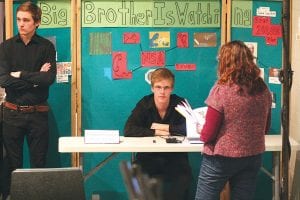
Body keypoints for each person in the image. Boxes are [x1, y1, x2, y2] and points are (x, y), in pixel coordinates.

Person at [194, 40, 272, 200]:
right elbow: (265, 128)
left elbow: (208, 134)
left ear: (225, 62)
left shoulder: (221, 89)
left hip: (221, 159)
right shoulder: (263, 89)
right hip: (252, 156)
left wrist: (201, 132)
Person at [0, 1, 56, 198]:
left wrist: (20, 74)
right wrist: (34, 80)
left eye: (26, 20)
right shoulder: (6, 47)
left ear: (37, 22)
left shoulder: (47, 47)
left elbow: (48, 79)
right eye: (18, 20)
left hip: (38, 113)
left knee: (38, 163)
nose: (21, 24)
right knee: (11, 164)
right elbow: (3, 79)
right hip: (11, 113)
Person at [124, 68, 192, 200]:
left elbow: (190, 129)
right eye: (158, 87)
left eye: (166, 87)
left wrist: (163, 127)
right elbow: (128, 129)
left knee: (184, 178)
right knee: (138, 177)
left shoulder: (180, 103)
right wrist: (155, 132)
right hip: (148, 157)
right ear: (152, 88)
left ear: (172, 89)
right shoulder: (144, 103)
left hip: (175, 158)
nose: (162, 92)